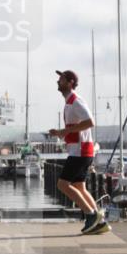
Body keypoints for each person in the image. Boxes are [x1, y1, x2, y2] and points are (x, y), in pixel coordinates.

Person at [48, 70, 109, 235]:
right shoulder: (69, 102)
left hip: (80, 151)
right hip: (81, 150)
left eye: (60, 79)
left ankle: (91, 215)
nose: (57, 81)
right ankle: (99, 222)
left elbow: (90, 122)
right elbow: (75, 128)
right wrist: (61, 133)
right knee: (79, 186)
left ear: (69, 82)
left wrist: (63, 131)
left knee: (62, 184)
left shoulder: (75, 101)